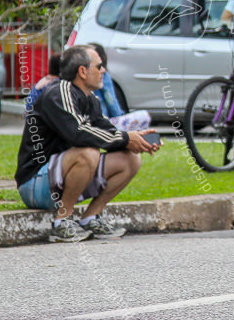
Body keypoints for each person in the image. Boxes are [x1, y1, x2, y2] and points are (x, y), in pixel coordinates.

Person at [15, 45, 159, 242]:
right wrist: (126, 138)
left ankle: (90, 217)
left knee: (131, 160)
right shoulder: (59, 92)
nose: (103, 71)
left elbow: (108, 132)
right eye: (99, 66)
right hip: (34, 183)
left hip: (64, 177)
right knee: (88, 153)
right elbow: (78, 133)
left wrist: (136, 141)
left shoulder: (90, 99)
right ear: (82, 71)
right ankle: (62, 222)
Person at [86, 43, 151, 133]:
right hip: (103, 122)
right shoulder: (103, 75)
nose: (102, 70)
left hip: (93, 123)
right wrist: (119, 115)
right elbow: (110, 99)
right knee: (144, 116)